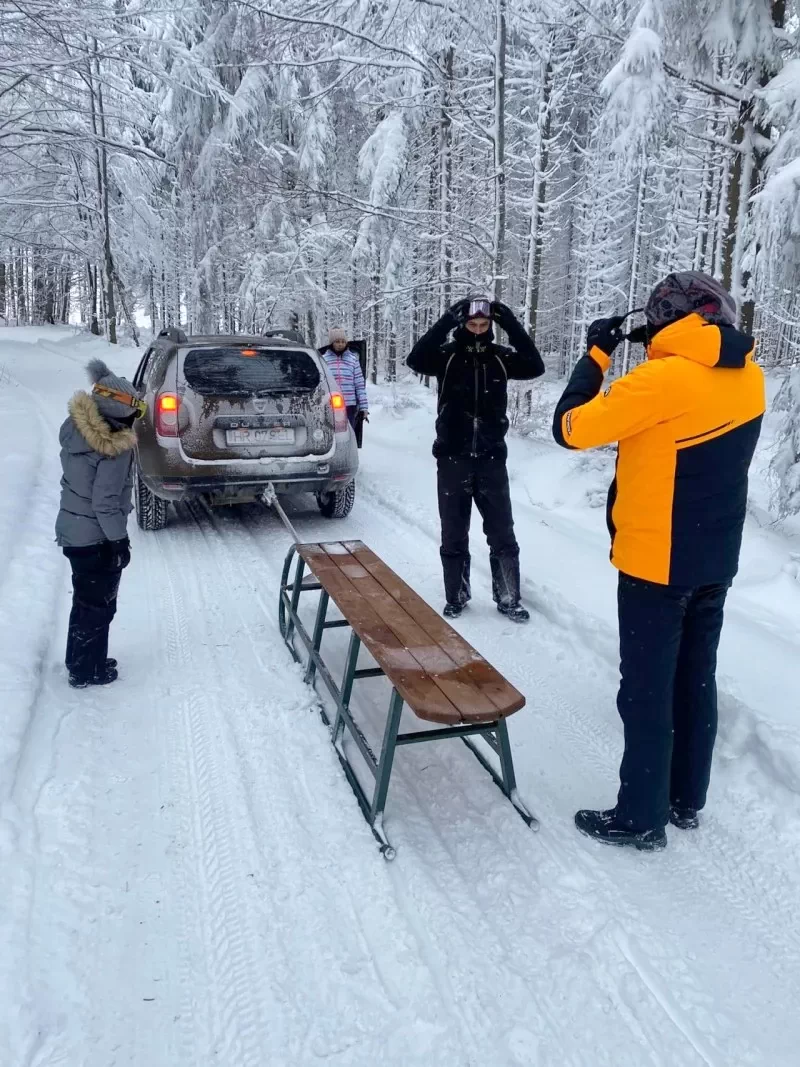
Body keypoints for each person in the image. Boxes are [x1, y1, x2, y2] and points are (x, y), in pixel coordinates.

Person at [553, 271, 766, 850]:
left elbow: (569, 428)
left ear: (667, 317)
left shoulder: (660, 379)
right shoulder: (751, 377)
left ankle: (640, 817)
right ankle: (685, 799)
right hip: (715, 559)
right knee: (695, 680)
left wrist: (597, 351)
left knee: (646, 691)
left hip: (657, 562)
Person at [407, 296, 545, 622]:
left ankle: (509, 598)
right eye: (473, 324)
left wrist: (509, 320)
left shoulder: (499, 358)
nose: (479, 330)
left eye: (485, 325)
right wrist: (444, 321)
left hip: (491, 459)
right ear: (464, 324)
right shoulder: (447, 357)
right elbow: (416, 359)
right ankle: (456, 596)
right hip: (453, 458)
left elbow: (535, 365)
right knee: (454, 531)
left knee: (502, 533)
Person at [55, 359, 145, 688]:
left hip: (73, 532)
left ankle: (80, 659)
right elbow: (105, 502)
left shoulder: (76, 428)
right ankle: (86, 670)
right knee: (100, 605)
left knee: (85, 602)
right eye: (134, 414)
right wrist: (119, 542)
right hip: (96, 538)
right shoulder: (114, 445)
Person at [322, 327, 369, 430]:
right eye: (337, 341)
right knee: (331, 433)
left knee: (348, 433)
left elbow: (360, 385)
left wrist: (364, 407)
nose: (340, 344)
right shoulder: (324, 360)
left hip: (349, 405)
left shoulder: (353, 360)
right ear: (331, 343)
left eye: (343, 341)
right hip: (330, 405)